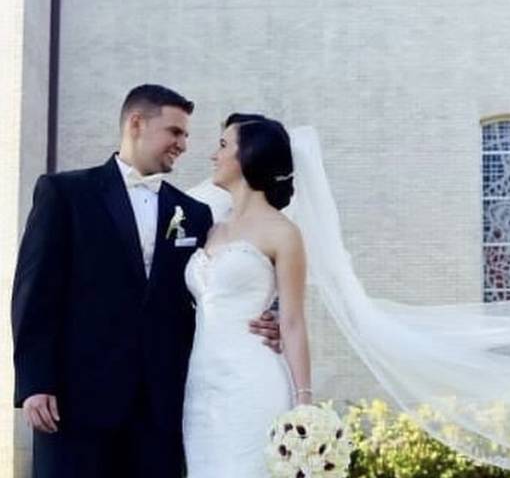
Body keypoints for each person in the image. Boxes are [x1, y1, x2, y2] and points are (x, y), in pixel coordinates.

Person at [11, 85, 278, 478]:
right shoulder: (65, 193)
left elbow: (223, 281)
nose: (184, 144)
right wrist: (35, 382)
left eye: (186, 134)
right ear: (136, 123)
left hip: (159, 410)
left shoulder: (195, 213)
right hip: (76, 402)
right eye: (175, 132)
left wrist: (268, 317)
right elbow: (35, 292)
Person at [182, 113, 311, 478]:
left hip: (252, 382)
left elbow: (293, 320)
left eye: (223, 145)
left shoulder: (283, 233)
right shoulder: (208, 225)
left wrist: (305, 404)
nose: (213, 155)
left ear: (248, 157)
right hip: (202, 388)